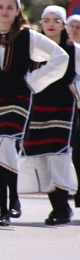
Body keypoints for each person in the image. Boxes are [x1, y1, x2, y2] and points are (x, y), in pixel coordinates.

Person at [0, 0, 68, 227]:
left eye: (10, 7)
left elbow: (60, 56)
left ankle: (14, 199)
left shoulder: (28, 36)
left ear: (18, 10)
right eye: (0, 7)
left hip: (17, 98)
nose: (5, 11)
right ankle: (4, 210)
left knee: (6, 143)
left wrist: (34, 80)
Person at [17, 6, 79, 224]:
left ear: (63, 25)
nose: (50, 24)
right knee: (41, 158)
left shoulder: (73, 49)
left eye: (56, 20)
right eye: (46, 20)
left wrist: (76, 87)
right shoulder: (33, 49)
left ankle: (64, 207)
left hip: (63, 109)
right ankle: (57, 208)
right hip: (36, 109)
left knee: (58, 157)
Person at [68, 13, 80, 208]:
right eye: (71, 26)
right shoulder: (59, 51)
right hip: (66, 107)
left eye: (79, 27)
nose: (74, 30)